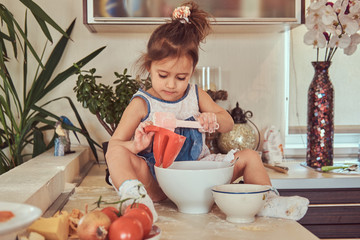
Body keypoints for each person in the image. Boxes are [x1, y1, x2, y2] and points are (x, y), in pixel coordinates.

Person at [106, 1, 308, 222]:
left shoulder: (195, 94)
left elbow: (228, 123)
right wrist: (134, 146)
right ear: (149, 68)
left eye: (181, 77)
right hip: (158, 183)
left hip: (201, 180)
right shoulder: (142, 103)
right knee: (116, 152)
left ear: (191, 72)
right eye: (163, 75)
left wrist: (213, 120)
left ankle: (266, 202)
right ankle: (136, 202)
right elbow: (115, 146)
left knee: (250, 156)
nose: (171, 85)